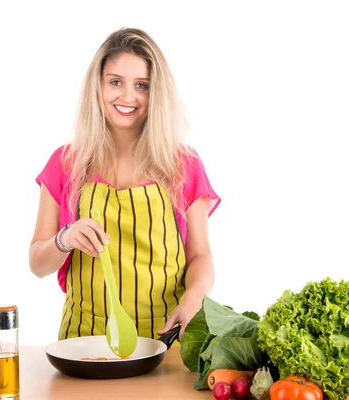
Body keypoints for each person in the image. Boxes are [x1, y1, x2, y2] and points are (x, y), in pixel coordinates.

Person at [29, 27, 220, 341]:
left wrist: (194, 298)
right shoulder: (66, 163)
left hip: (166, 341)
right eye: (115, 81)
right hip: (83, 344)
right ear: (98, 85)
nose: (128, 97)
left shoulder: (183, 165)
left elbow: (200, 256)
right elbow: (37, 263)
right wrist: (66, 238)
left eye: (142, 85)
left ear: (156, 92)